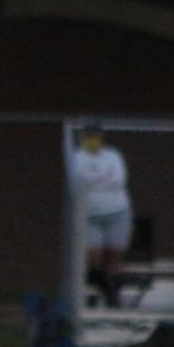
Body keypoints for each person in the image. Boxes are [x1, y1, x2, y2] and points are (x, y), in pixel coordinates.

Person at [69, 122, 132, 306]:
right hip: (90, 216)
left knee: (114, 256)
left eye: (95, 136)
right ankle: (92, 293)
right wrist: (103, 179)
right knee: (93, 257)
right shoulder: (77, 157)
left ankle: (112, 297)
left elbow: (118, 180)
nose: (92, 140)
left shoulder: (112, 155)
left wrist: (93, 181)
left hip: (118, 212)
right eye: (89, 136)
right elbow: (78, 180)